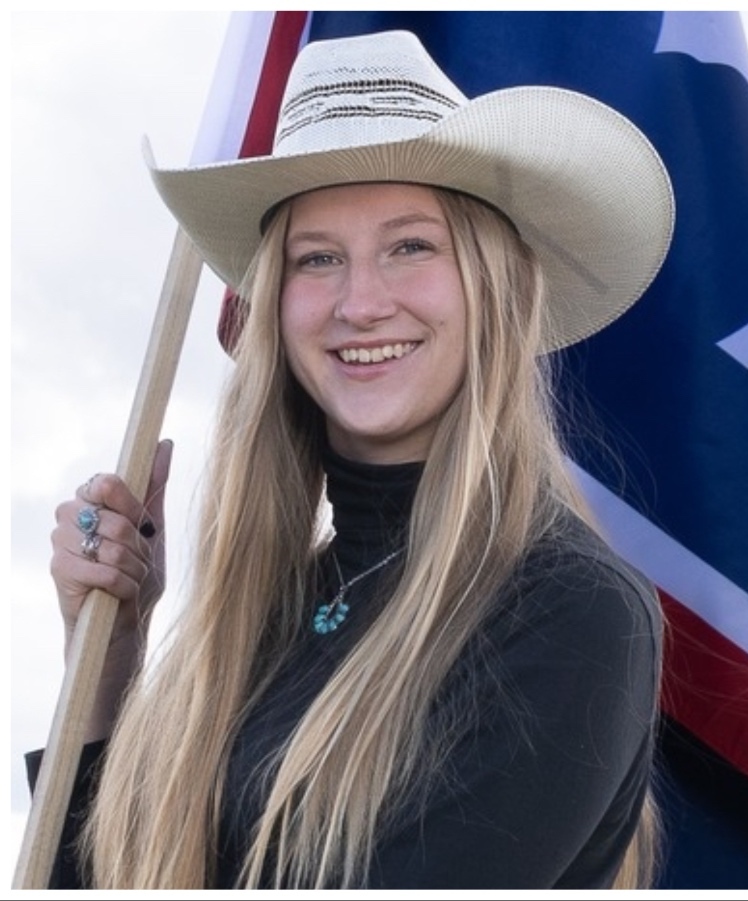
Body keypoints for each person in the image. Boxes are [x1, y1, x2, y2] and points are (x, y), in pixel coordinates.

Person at [35, 30, 674, 889]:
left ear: (491, 286)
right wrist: (106, 659)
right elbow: (91, 878)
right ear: (273, 310)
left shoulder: (568, 610)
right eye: (318, 258)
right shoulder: (268, 607)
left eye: (411, 245)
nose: (361, 303)